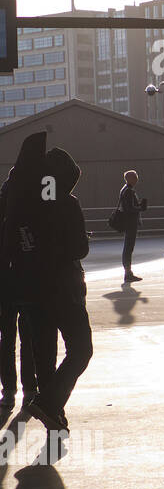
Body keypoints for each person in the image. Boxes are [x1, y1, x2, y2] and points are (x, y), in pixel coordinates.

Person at [23, 146, 93, 433]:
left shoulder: (26, 205)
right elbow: (79, 248)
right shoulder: (68, 203)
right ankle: (50, 404)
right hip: (65, 288)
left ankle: (53, 414)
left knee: (45, 356)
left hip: (32, 289)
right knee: (80, 349)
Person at [0, 167, 37, 415]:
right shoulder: (30, 212)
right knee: (28, 340)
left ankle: (8, 392)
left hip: (5, 285)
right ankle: (30, 390)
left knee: (7, 341)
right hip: (26, 284)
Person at [117, 170, 147, 282]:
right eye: (135, 177)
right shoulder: (128, 191)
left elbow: (127, 206)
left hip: (128, 222)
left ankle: (128, 272)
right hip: (130, 222)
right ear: (129, 179)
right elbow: (129, 208)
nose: (136, 179)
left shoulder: (125, 190)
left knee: (128, 247)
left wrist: (138, 206)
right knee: (129, 247)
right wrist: (140, 208)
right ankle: (128, 273)